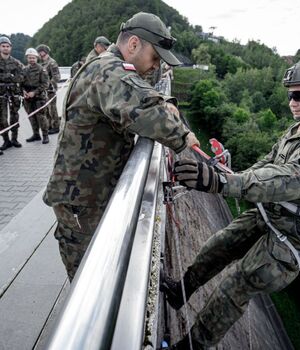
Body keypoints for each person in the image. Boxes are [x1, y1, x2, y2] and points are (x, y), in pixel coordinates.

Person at [164, 55, 300, 349]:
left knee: (236, 285)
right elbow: (269, 162)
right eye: (290, 95)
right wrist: (226, 175)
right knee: (219, 245)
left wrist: (221, 183)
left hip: (298, 233)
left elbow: (296, 177)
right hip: (272, 212)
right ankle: (179, 292)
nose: (292, 102)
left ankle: (192, 346)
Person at [43, 12, 200, 282]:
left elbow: (141, 95)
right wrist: (185, 136)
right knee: (89, 283)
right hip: (81, 201)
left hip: (90, 193)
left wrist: (164, 101)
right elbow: (147, 113)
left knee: (101, 268)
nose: (155, 67)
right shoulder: (109, 71)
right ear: (134, 44)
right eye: (155, 57)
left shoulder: (109, 66)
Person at [0, 36, 24, 154]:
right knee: (2, 119)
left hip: (13, 93)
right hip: (1, 95)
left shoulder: (16, 63)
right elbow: (15, 77)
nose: (5, 48)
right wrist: (10, 77)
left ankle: (14, 139)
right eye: (3, 46)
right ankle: (6, 140)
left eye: (7, 46)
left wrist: (11, 79)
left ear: (10, 48)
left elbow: (22, 76)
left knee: (14, 116)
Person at [21, 48, 50, 144]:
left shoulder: (41, 69)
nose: (31, 59)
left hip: (39, 97)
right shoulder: (24, 70)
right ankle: (36, 134)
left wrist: (35, 92)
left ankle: (45, 135)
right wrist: (23, 91)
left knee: (42, 117)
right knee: (31, 117)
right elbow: (20, 83)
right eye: (29, 58)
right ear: (27, 58)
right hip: (28, 98)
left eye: (33, 58)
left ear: (37, 58)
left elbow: (45, 84)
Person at [36, 44, 61, 135]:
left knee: (52, 108)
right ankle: (49, 125)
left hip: (50, 90)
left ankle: (56, 126)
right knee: (46, 109)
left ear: (44, 52)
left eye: (39, 52)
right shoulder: (40, 63)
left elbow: (57, 77)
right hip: (43, 91)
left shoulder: (52, 62)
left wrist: (49, 84)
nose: (38, 54)